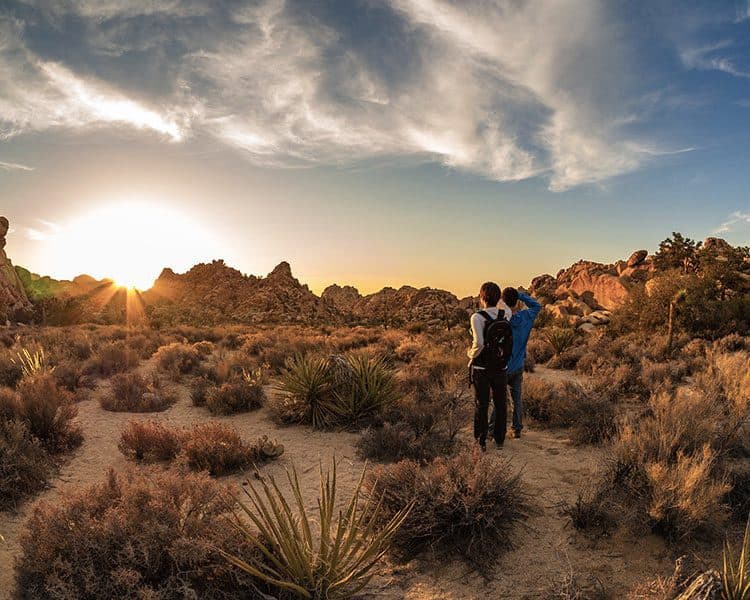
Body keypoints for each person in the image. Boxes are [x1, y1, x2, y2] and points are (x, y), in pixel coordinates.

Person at [467, 282, 513, 451]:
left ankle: (481, 442)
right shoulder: (506, 314)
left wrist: (470, 355)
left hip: (482, 369)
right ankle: (499, 439)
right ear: (498, 298)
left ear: (481, 297)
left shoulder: (477, 317)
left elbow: (478, 342)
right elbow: (505, 307)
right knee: (501, 404)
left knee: (482, 404)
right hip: (501, 366)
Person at [495, 286, 541, 439]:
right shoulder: (526, 316)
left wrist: (503, 300)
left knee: (499, 400)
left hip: (503, 366)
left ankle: (492, 429)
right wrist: (520, 295)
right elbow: (537, 305)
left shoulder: (503, 320)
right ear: (516, 303)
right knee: (517, 399)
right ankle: (517, 429)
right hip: (519, 365)